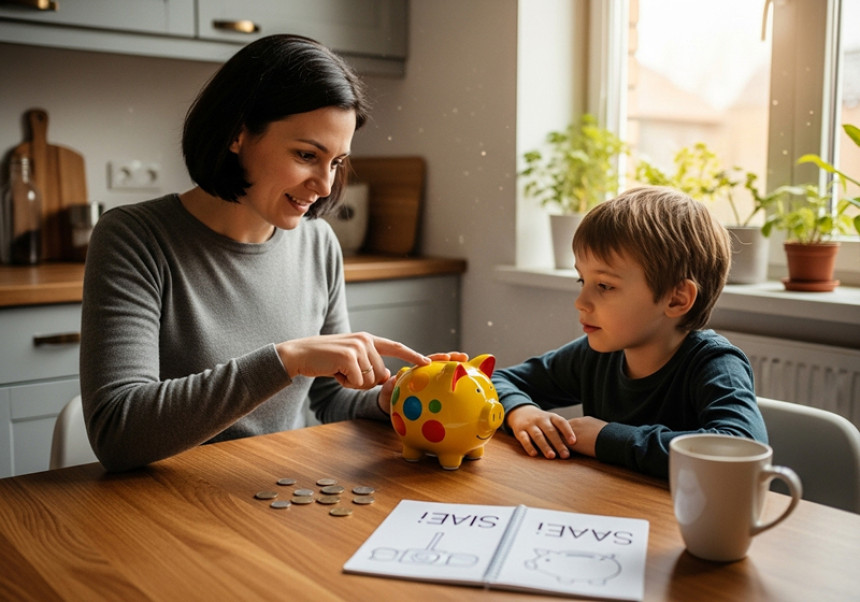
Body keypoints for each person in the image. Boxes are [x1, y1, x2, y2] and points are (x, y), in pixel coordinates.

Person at [80, 34, 436, 472]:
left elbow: (329, 397)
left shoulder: (319, 243)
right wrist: (285, 361)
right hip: (164, 500)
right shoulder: (134, 238)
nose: (325, 186)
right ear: (237, 134)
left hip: (270, 489)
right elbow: (118, 431)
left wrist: (388, 399)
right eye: (306, 154)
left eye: (336, 162)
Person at [492, 186, 767, 478]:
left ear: (676, 299)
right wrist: (521, 411)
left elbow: (742, 448)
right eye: (582, 281)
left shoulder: (715, 364)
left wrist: (605, 437)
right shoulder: (595, 355)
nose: (580, 302)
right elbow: (495, 380)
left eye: (605, 286)